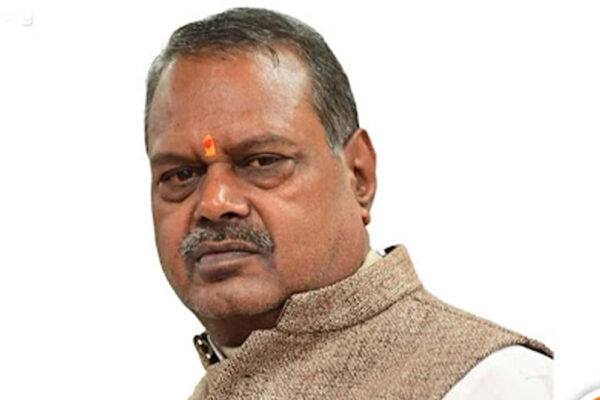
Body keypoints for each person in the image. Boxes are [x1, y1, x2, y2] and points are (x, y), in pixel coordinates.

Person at [144, 7, 553, 400]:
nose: (214, 203)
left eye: (262, 162)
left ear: (359, 175)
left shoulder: (498, 385)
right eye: (181, 175)